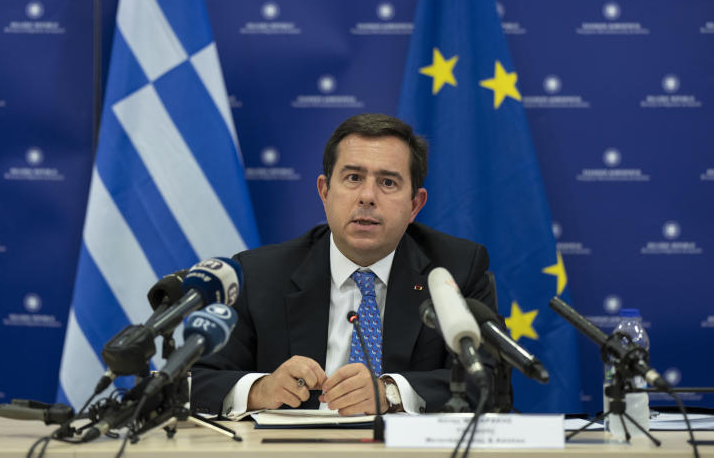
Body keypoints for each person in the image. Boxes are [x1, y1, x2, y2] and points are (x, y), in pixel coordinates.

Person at [190, 113, 499, 417]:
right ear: (325, 191)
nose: (367, 196)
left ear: (415, 205)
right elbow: (196, 383)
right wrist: (261, 389)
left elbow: (489, 383)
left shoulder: (455, 269)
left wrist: (389, 392)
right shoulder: (261, 275)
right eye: (353, 178)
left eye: (388, 182)